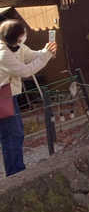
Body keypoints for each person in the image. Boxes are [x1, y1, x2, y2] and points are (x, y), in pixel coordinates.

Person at [0, 19, 56, 177]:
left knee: (14, 134)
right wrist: (45, 57)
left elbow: (32, 55)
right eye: (22, 34)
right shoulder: (3, 53)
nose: (25, 36)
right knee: (12, 134)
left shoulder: (16, 46)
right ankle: (16, 173)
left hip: (9, 95)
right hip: (2, 97)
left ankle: (16, 170)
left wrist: (46, 51)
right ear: (14, 37)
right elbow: (25, 71)